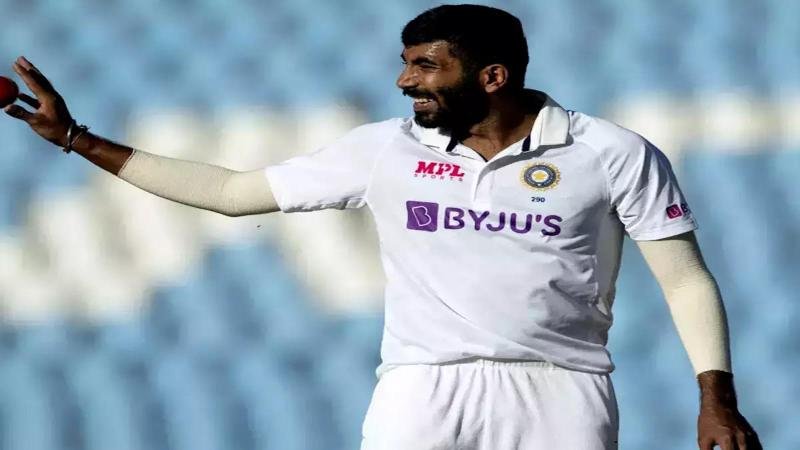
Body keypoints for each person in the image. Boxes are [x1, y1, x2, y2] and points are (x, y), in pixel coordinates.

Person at [4, 4, 761, 450]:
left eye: (426, 66)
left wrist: (716, 398)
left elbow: (684, 280)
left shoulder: (610, 152)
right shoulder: (384, 150)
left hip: (562, 390)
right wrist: (77, 139)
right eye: (405, 63)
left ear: (493, 77)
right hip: (422, 386)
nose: (405, 81)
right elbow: (233, 193)